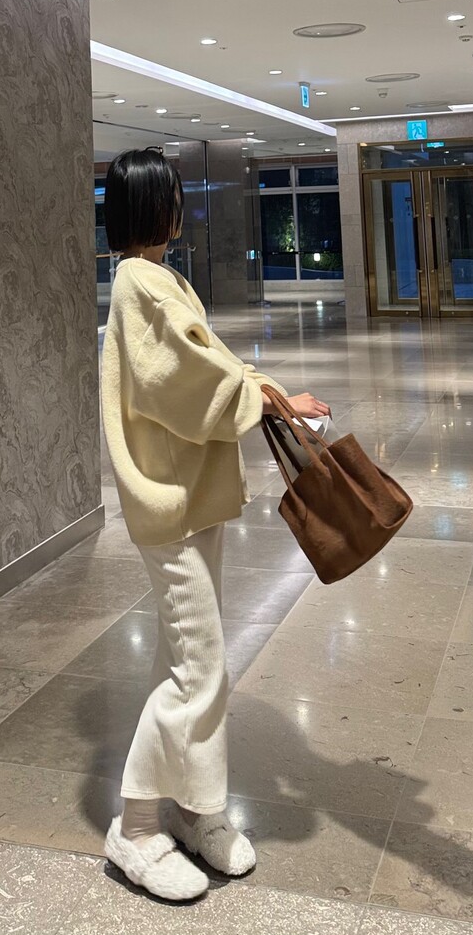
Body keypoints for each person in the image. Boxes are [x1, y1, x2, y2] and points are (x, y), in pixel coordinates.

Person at [99, 148, 330, 901]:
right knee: (201, 666)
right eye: (171, 197)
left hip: (192, 493)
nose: (180, 208)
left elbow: (211, 361)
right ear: (151, 206)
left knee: (188, 655)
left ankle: (196, 808)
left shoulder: (162, 278)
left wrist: (267, 391)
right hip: (169, 500)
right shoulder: (139, 284)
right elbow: (179, 380)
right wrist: (263, 400)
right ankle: (136, 827)